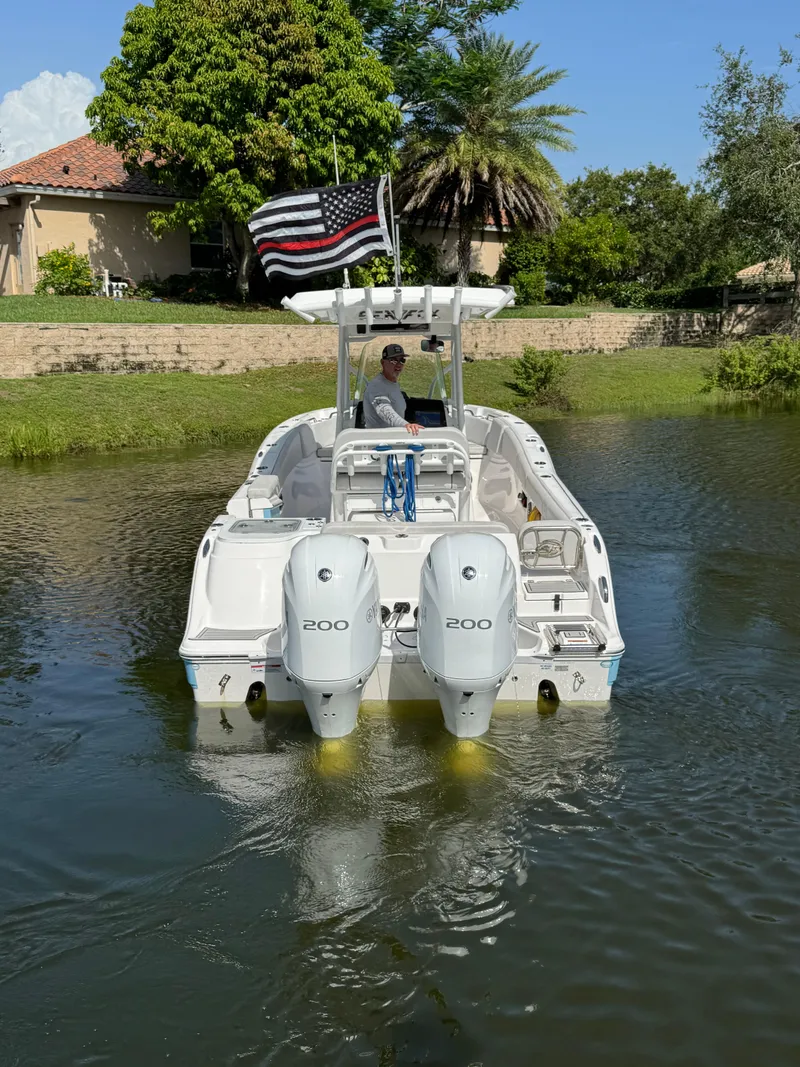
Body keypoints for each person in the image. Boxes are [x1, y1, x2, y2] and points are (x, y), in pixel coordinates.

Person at [362, 344, 424, 435]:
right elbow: (386, 412)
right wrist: (406, 425)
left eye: (402, 360)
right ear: (383, 362)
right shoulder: (376, 386)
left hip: (394, 439)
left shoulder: (393, 384)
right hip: (378, 443)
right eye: (393, 361)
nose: (399, 364)